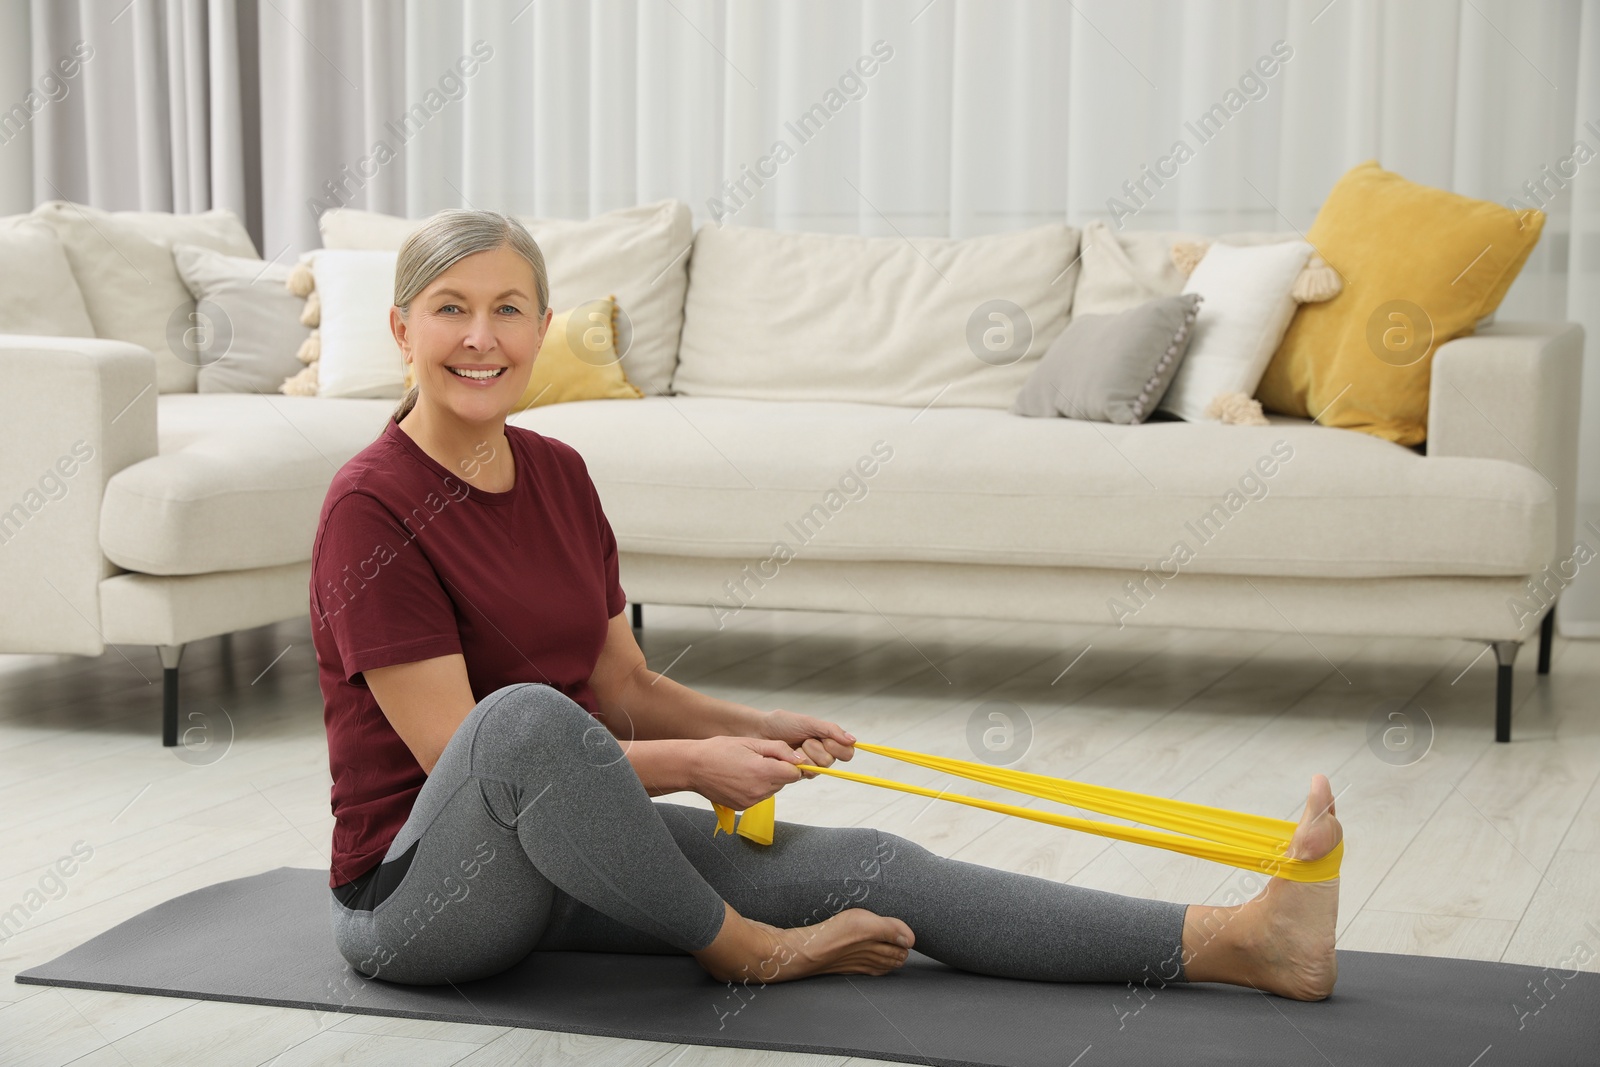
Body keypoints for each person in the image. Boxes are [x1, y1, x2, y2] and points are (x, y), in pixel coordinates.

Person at [312, 208, 1342, 1001]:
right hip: (423, 902)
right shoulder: (370, 507)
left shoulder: (560, 473)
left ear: (543, 325)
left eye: (507, 308)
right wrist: (690, 767)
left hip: (566, 856)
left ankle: (1250, 942)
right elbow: (474, 758)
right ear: (402, 328)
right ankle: (753, 954)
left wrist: (750, 725)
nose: (480, 336)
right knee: (523, 717)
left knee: (871, 865)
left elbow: (619, 682)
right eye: (450, 307)